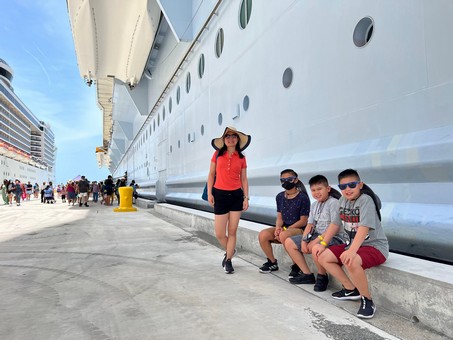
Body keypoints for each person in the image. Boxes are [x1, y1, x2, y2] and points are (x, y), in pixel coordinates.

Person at [317, 169, 389, 319]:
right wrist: (323, 243)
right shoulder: (342, 201)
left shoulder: (366, 200)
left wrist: (351, 251)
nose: (347, 189)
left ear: (360, 184)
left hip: (374, 247)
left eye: (352, 185)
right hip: (353, 245)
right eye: (343, 187)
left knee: (351, 260)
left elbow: (364, 228)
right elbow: (335, 225)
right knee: (323, 257)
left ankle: (367, 300)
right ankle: (350, 289)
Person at [284, 175, 344, 290]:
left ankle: (322, 276)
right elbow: (310, 225)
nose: (316, 192)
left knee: (316, 247)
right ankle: (307, 274)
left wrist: (317, 240)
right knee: (289, 242)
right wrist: (304, 241)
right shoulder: (314, 205)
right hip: (317, 235)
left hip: (334, 237)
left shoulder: (334, 203)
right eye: (313, 190)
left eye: (319, 189)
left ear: (328, 189)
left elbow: (334, 227)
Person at [207, 126, 251, 274]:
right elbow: (211, 174)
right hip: (219, 194)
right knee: (220, 233)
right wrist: (210, 193)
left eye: (233, 136)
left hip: (236, 196)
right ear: (224, 140)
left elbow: (244, 179)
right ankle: (231, 250)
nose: (230, 138)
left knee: (232, 231)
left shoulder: (242, 157)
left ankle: (229, 259)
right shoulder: (217, 155)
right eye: (227, 136)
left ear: (237, 139)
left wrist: (246, 197)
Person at [258, 169, 310, 275]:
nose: (286, 182)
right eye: (283, 180)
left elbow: (303, 221)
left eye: (289, 179)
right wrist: (278, 228)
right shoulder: (280, 197)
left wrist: (286, 229)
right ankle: (272, 262)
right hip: (285, 228)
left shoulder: (303, 197)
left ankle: (296, 265)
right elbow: (280, 217)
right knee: (263, 234)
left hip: (299, 229)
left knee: (284, 235)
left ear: (296, 180)